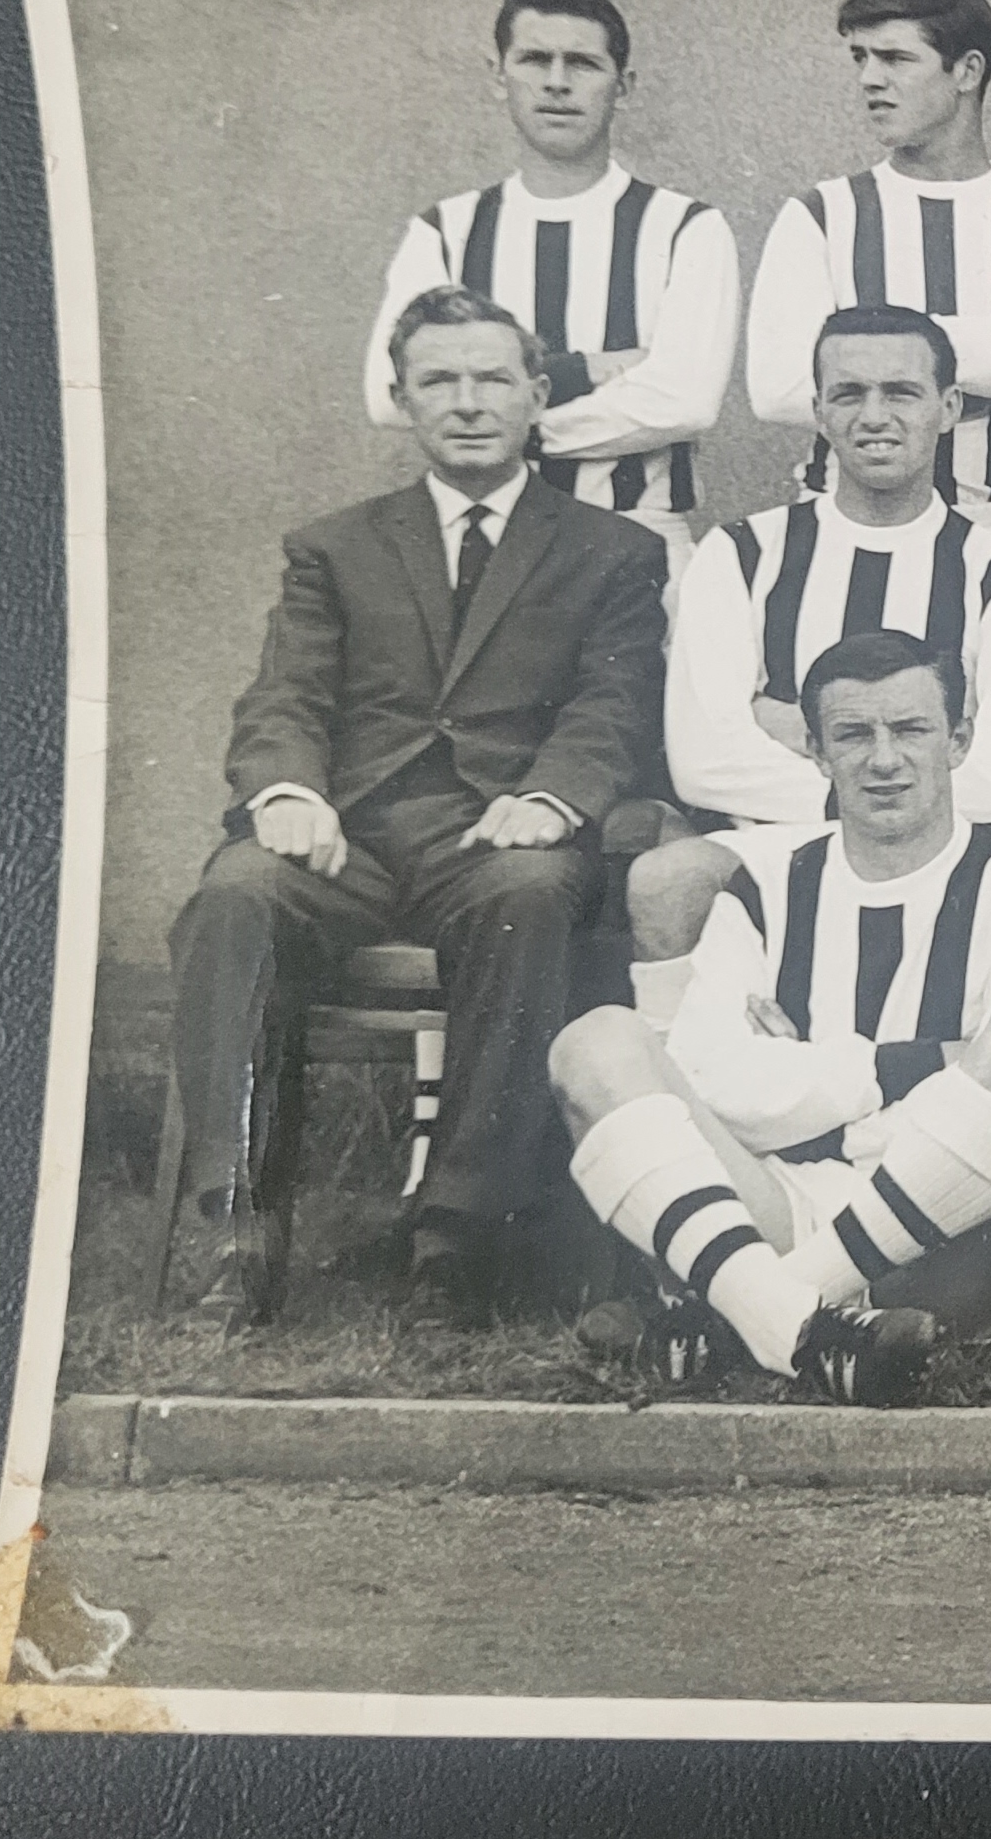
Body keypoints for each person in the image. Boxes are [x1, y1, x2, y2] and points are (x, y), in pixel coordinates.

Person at [165, 286, 668, 1326]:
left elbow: (613, 704)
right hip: (347, 834)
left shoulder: (610, 549)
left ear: (538, 394)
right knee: (236, 895)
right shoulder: (334, 545)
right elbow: (284, 692)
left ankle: (459, 1236)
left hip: (495, 834)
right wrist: (291, 789)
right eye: (439, 380)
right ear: (401, 400)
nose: (469, 401)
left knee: (531, 892)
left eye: (492, 377)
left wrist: (552, 795)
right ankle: (237, 1227)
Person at [547, 631, 991, 1408]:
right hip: (777, 1205)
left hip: (952, 1241)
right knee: (593, 1043)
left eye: (910, 729)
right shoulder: (766, 887)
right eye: (853, 734)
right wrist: (915, 1068)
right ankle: (801, 1326)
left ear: (959, 739)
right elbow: (705, 1077)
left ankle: (740, 1313)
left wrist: (806, 1090)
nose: (883, 759)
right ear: (815, 751)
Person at [638, 305, 991, 1025]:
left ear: (948, 407)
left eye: (900, 392)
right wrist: (881, 786)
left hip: (946, 855)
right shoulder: (742, 554)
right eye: (848, 393)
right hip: (776, 845)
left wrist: (792, 728)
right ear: (818, 412)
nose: (875, 415)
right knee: (667, 879)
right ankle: (677, 1097)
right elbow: (705, 761)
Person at [360, 0, 738, 577]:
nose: (557, 83)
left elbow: (683, 400)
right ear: (498, 77)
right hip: (480, 543)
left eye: (583, 64)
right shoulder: (446, 229)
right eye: (535, 59)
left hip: (635, 539)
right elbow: (388, 393)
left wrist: (498, 430)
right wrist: (588, 370)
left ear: (624, 85)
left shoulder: (683, 226)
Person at [745, 0, 991, 566]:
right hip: (839, 526)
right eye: (860, 57)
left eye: (895, 58)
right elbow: (777, 387)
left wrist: (857, 344)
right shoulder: (822, 214)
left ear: (967, 71)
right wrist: (984, 346)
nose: (869, 79)